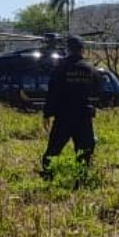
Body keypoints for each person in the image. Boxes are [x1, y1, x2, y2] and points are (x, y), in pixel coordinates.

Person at [41, 35, 103, 177]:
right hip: (83, 117)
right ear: (82, 50)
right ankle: (81, 179)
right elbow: (99, 91)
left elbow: (52, 93)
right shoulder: (91, 69)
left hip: (63, 116)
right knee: (85, 151)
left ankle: (48, 176)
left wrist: (47, 114)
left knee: (53, 150)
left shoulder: (60, 69)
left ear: (68, 50)